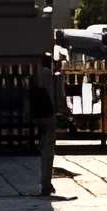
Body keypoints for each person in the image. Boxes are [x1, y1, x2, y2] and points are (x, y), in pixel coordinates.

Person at [28, 58, 68, 198]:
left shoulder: (35, 76)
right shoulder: (52, 77)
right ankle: (46, 183)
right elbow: (58, 97)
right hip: (48, 115)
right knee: (48, 152)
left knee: (43, 149)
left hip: (37, 116)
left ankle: (45, 182)